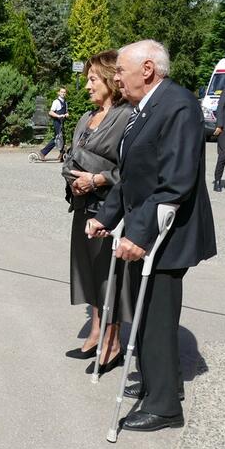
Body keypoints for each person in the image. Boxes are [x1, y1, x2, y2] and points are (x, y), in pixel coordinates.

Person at [85, 40, 216, 432]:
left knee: (156, 316)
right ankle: (162, 382)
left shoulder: (177, 104)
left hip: (166, 233)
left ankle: (164, 407)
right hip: (149, 225)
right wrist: (106, 217)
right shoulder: (145, 107)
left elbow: (175, 181)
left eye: (122, 71)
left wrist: (138, 235)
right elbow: (131, 175)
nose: (118, 79)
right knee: (147, 317)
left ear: (147, 69)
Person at [62, 50, 131, 373]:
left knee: (108, 277)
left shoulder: (126, 116)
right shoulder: (85, 118)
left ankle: (112, 342)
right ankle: (94, 332)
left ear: (109, 79)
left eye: (92, 79)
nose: (87, 85)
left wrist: (98, 179)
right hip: (83, 206)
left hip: (109, 209)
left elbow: (133, 168)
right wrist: (74, 183)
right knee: (88, 272)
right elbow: (71, 157)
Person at [30, 87, 69, 161]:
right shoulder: (56, 102)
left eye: (64, 92)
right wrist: (58, 116)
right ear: (58, 93)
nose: (63, 93)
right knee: (57, 139)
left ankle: (62, 155)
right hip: (57, 122)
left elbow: (66, 112)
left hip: (62, 122)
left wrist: (67, 114)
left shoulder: (65, 102)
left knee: (62, 138)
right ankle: (43, 152)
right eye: (62, 92)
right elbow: (50, 112)